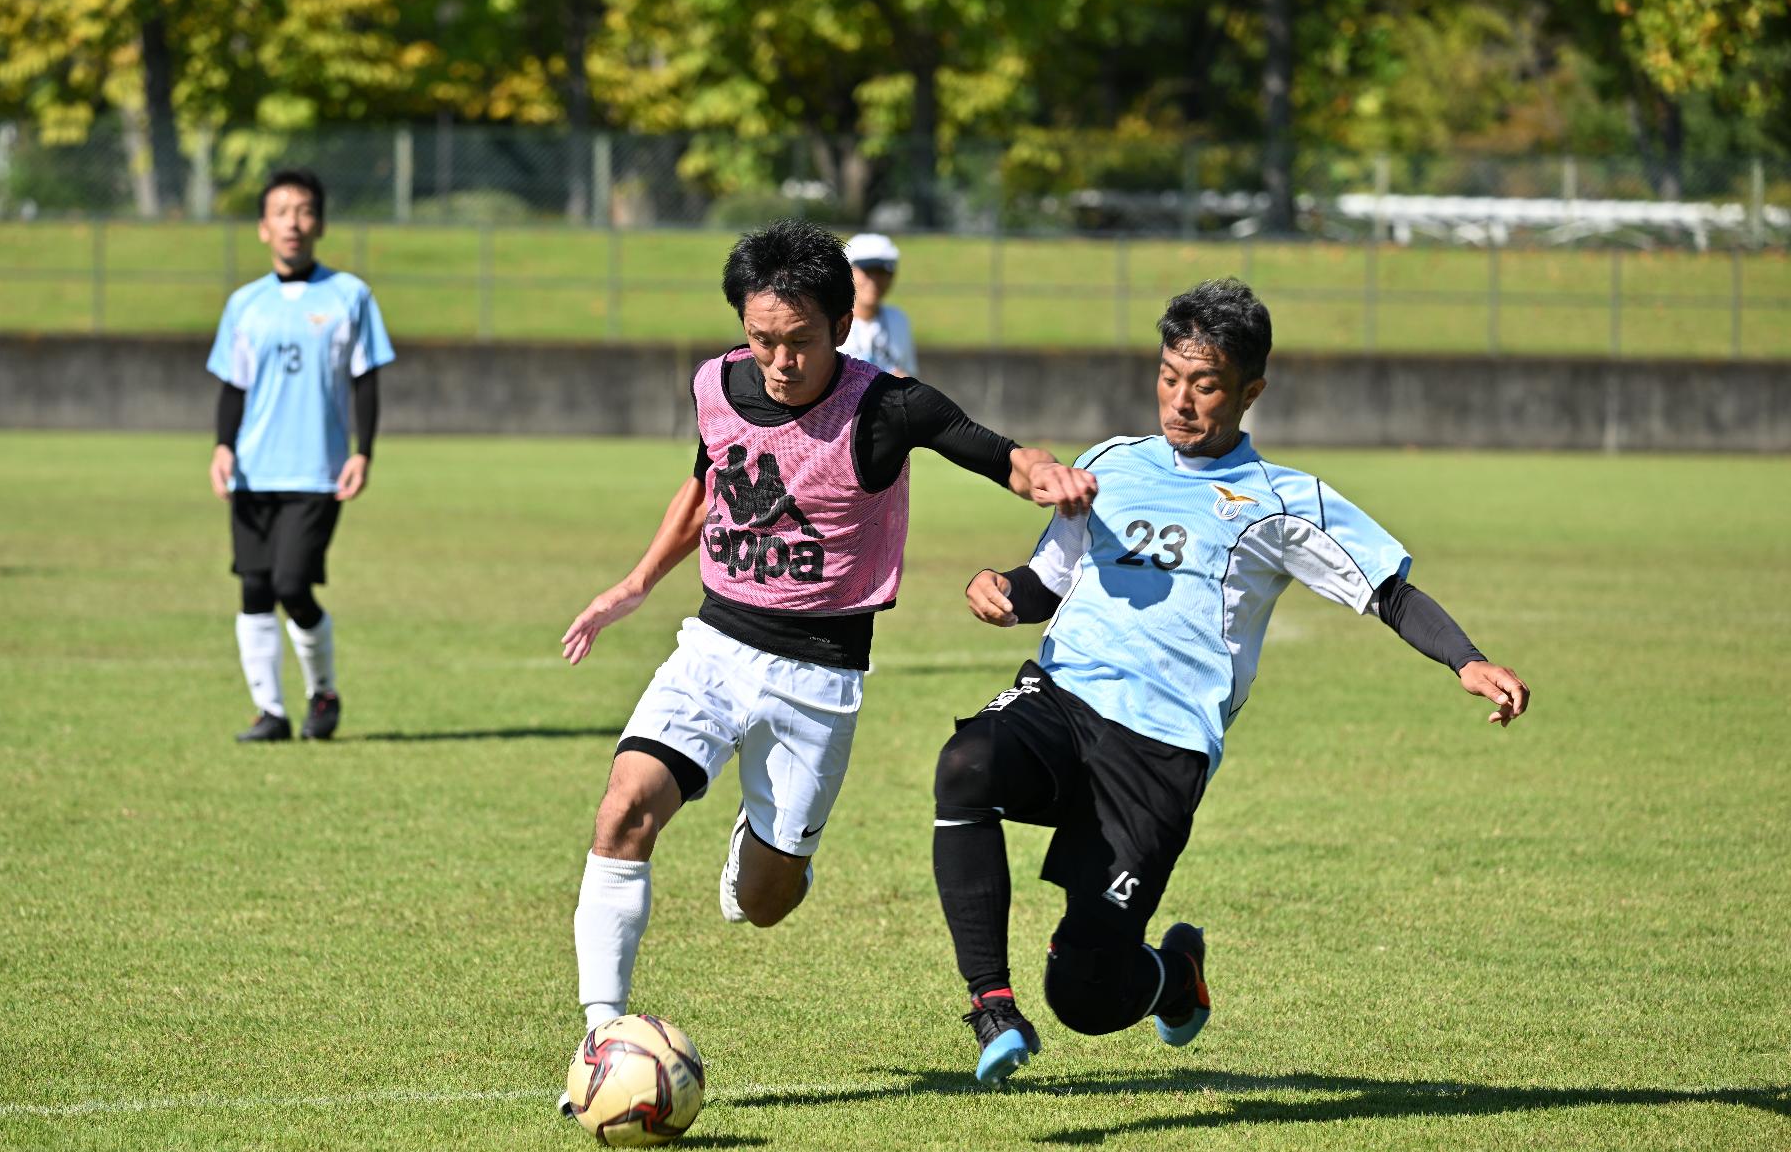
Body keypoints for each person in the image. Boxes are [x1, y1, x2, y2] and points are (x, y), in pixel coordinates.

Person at [932, 277, 1531, 1085]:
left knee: (1085, 991)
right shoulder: (1109, 463)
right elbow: (1047, 581)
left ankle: (1175, 977)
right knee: (966, 763)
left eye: (1205, 384)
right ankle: (991, 1006)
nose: (1181, 401)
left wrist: (1468, 658)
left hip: (1161, 750)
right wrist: (999, 590)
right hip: (1064, 698)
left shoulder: (1280, 500)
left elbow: (1386, 589)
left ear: (1250, 390)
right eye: (1170, 377)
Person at [558, 218, 1096, 1050]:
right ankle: (601, 1036)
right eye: (761, 339)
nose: (779, 361)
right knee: (625, 805)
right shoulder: (715, 385)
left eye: (799, 341)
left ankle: (763, 847)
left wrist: (1045, 476)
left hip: (819, 676)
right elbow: (707, 483)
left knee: (767, 903)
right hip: (713, 646)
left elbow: (1003, 454)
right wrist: (634, 584)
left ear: (842, 327)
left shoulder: (889, 405)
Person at [207, 168, 393, 743]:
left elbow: (365, 380)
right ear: (263, 228)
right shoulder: (245, 304)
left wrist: (364, 453)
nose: (293, 221)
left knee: (291, 583)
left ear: (320, 223)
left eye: (304, 210)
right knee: (255, 589)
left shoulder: (349, 296)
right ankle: (271, 713)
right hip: (252, 471)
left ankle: (323, 693)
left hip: (317, 472)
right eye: (281, 211)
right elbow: (233, 386)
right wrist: (221, 445)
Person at [839, 233, 917, 378]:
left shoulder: (898, 320)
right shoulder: (829, 322)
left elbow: (908, 373)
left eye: (882, 272)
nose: (874, 281)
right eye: (867, 272)